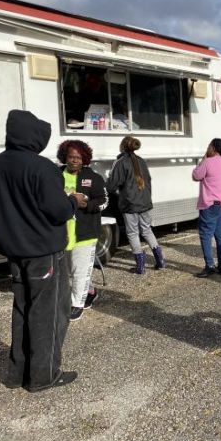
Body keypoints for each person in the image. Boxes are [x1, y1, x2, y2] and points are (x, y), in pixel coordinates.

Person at [0, 110, 84, 392]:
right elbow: (58, 211)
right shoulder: (41, 168)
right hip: (43, 250)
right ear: (34, 136)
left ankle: (17, 372)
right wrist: (73, 201)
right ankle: (44, 375)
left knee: (23, 309)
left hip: (14, 251)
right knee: (49, 313)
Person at [57, 140, 108, 321]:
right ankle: (91, 291)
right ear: (65, 156)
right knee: (72, 269)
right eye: (71, 157)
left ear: (84, 158)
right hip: (62, 232)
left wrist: (87, 205)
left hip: (85, 232)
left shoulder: (93, 177)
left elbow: (104, 201)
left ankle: (77, 304)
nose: (74, 161)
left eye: (78, 157)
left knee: (79, 270)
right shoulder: (56, 175)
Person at [106, 136, 165, 275]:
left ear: (122, 147)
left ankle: (140, 266)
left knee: (132, 233)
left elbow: (112, 184)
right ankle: (160, 260)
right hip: (144, 202)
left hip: (129, 203)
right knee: (146, 230)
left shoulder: (120, 162)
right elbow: (148, 181)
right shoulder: (141, 161)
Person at [191, 138, 221, 278]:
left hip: (211, 204)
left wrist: (203, 159)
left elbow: (196, 175)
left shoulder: (208, 162)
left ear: (214, 148)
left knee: (205, 234)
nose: (207, 148)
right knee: (220, 234)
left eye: (209, 146)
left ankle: (209, 266)